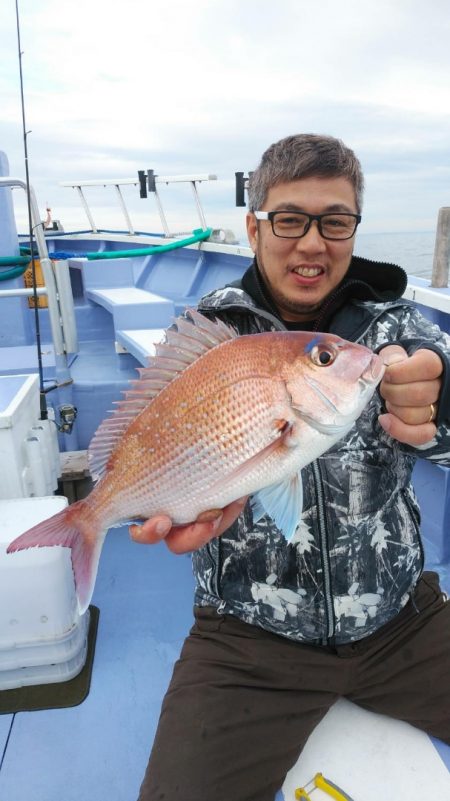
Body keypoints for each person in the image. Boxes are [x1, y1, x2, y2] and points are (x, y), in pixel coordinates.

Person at [131, 134, 450, 801]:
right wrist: (164, 497)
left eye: (335, 221)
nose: (313, 243)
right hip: (246, 641)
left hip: (403, 622)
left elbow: (434, 377)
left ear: (354, 229)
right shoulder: (207, 335)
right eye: (289, 219)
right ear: (253, 227)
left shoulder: (395, 327)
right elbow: (160, 446)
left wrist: (440, 402)